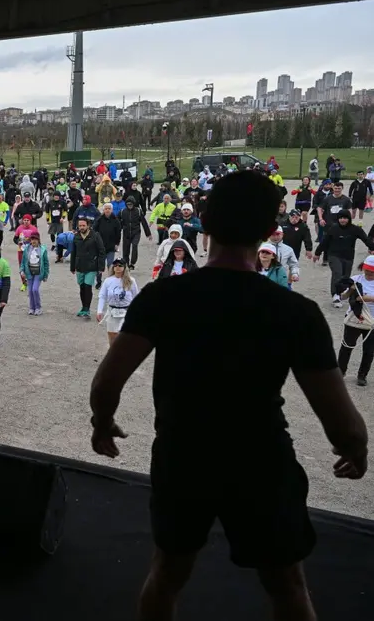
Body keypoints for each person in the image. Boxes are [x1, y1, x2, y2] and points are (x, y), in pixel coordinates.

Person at [88, 170, 368, 621]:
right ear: (268, 233)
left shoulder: (165, 297)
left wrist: (103, 423)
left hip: (184, 454)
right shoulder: (295, 312)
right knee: (287, 586)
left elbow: (106, 383)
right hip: (261, 459)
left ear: (205, 222)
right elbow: (338, 416)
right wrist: (355, 447)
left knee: (166, 575)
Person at [336, 255, 374, 386]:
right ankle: (340, 372)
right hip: (354, 318)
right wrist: (350, 291)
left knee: (369, 350)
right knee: (347, 346)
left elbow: (360, 298)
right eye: (367, 270)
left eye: (372, 271)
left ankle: (362, 375)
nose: (369, 273)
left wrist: (362, 297)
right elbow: (343, 297)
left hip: (372, 322)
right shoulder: (355, 279)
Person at [96, 259, 140, 345]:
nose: (117, 267)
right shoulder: (108, 281)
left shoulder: (131, 281)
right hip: (112, 312)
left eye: (120, 265)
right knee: (112, 337)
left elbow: (136, 297)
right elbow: (102, 296)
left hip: (126, 312)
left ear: (124, 267)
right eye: (115, 265)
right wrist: (99, 311)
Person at [69, 217, 105, 319]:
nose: (81, 227)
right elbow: (73, 252)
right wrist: (72, 267)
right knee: (82, 287)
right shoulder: (76, 237)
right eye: (80, 225)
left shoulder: (95, 236)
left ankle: (87, 309)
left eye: (83, 225)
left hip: (91, 266)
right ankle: (83, 307)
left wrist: (101, 267)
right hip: (79, 266)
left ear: (88, 225)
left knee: (87, 286)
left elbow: (101, 251)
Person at [19, 231, 49, 316]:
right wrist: (22, 270)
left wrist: (46, 275)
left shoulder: (43, 249)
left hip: (39, 272)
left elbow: (46, 263)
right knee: (30, 291)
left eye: (35, 239)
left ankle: (38, 308)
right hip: (29, 272)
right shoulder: (27, 249)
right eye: (32, 239)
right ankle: (32, 307)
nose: (33, 241)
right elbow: (23, 261)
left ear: (38, 240)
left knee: (35, 289)